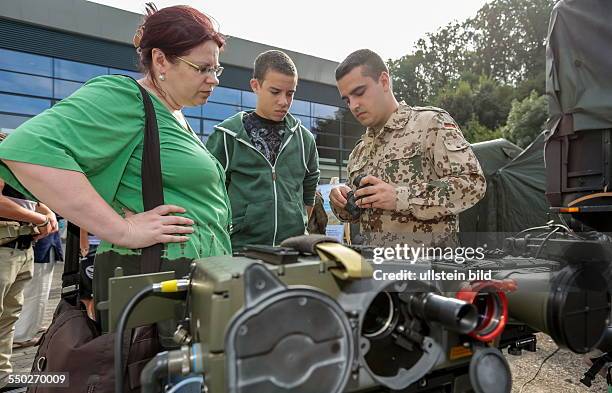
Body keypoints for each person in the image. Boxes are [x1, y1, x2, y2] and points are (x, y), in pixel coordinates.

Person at [0, 4, 232, 327]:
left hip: (192, 283)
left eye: (216, 70)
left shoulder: (174, 113)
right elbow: (26, 149)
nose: (214, 80)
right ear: (160, 60)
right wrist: (123, 229)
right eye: (203, 68)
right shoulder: (127, 98)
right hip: (159, 288)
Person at [329, 49, 486, 248]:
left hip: (430, 270)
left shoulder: (430, 124)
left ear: (384, 81)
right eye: (347, 100)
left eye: (359, 92)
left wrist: (401, 197)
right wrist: (342, 202)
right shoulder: (359, 151)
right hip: (379, 269)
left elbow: (472, 184)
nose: (354, 105)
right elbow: (357, 215)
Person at [206, 50, 320, 250]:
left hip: (292, 251)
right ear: (255, 86)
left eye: (290, 93)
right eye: (275, 92)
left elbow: (309, 192)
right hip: (241, 250)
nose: (284, 101)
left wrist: (295, 221)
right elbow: (209, 195)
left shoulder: (305, 140)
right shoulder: (226, 136)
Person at [0, 170, 57, 389]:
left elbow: (32, 200)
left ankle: (2, 374)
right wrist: (41, 218)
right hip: (7, 248)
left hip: (20, 246)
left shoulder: (14, 157)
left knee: (8, 317)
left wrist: (46, 213)